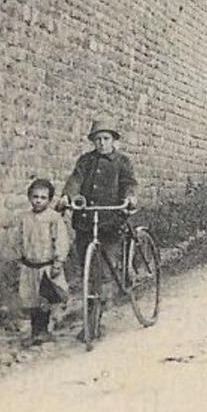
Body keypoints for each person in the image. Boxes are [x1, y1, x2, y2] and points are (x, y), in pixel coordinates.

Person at [61, 121, 138, 338]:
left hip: (110, 221)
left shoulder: (122, 161)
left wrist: (130, 198)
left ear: (113, 140)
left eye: (106, 139)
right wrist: (67, 196)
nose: (102, 143)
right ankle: (91, 319)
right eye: (97, 139)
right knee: (87, 271)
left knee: (105, 271)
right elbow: (75, 180)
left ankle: (95, 322)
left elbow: (129, 183)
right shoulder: (86, 161)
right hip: (86, 221)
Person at [17, 178, 70, 346]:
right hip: (30, 266)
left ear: (49, 200)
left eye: (43, 198)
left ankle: (44, 330)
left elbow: (61, 241)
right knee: (31, 299)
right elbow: (19, 239)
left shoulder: (53, 218)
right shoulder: (25, 218)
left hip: (46, 266)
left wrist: (58, 262)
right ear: (30, 198)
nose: (38, 201)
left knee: (45, 299)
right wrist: (19, 257)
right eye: (35, 197)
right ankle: (35, 330)